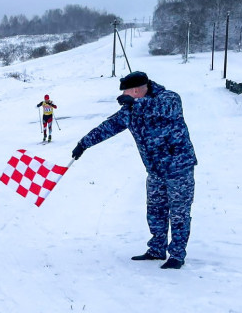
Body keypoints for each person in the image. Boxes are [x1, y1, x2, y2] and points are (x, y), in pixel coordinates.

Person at [71, 71, 196, 270]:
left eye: (126, 92)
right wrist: (83, 144)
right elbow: (108, 126)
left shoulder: (169, 98)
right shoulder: (130, 110)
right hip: (155, 171)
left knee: (179, 213)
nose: (123, 96)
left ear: (136, 90)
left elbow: (160, 109)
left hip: (178, 168)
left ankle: (177, 255)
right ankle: (156, 249)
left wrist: (135, 103)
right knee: (155, 211)